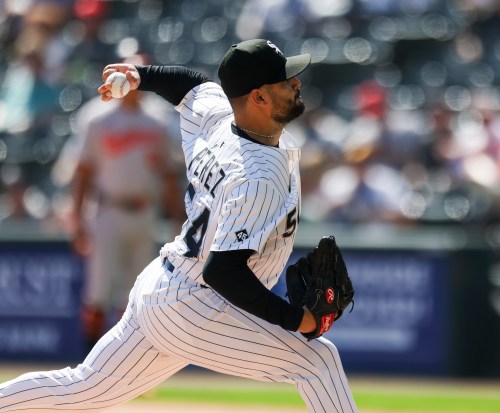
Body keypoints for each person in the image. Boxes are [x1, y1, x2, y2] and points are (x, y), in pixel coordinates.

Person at [0, 39, 359, 413]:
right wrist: (294, 319)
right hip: (197, 306)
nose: (297, 84)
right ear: (258, 98)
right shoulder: (256, 176)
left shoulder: (220, 116)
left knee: (84, 388)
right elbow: (224, 272)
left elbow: (188, 84)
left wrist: (140, 75)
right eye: (285, 81)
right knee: (318, 362)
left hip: (163, 285)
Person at [68, 55, 186, 351]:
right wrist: (77, 219)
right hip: (108, 210)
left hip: (145, 211)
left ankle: (128, 368)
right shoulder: (97, 117)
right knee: (98, 293)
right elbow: (83, 172)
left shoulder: (158, 121)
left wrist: (177, 220)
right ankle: (87, 364)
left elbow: (169, 175)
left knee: (137, 296)